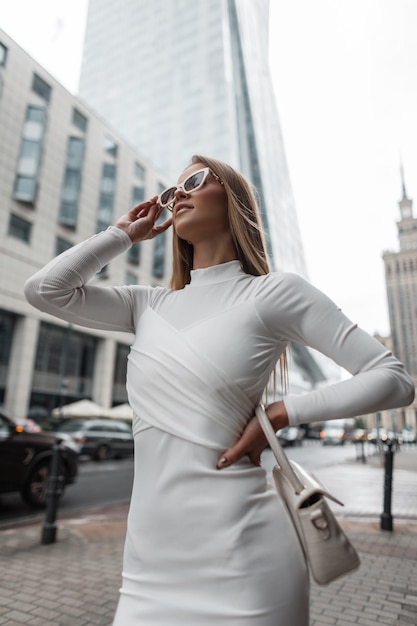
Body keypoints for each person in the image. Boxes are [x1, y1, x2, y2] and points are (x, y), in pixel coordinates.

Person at [24, 155, 414, 625]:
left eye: (193, 181)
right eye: (172, 192)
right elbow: (46, 290)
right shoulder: (146, 304)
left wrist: (278, 414)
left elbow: (393, 378)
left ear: (232, 196)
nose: (178, 194)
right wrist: (122, 233)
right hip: (149, 568)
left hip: (247, 560)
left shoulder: (274, 293)